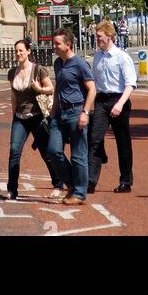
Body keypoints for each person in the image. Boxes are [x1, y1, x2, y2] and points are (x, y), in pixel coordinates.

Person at [46, 27, 96, 205]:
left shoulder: (80, 64)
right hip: (60, 113)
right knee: (52, 151)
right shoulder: (58, 63)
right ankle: (72, 184)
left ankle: (80, 193)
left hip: (76, 112)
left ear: (68, 45)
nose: (54, 46)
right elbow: (59, 86)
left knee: (78, 155)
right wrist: (52, 112)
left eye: (57, 44)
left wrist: (85, 112)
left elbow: (92, 89)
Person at [89, 19, 136, 194]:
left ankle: (126, 181)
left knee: (123, 143)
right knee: (94, 139)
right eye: (96, 36)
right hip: (101, 100)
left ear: (110, 36)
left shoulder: (122, 57)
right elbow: (94, 81)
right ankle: (90, 180)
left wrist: (120, 104)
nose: (97, 39)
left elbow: (130, 84)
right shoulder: (97, 56)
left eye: (100, 36)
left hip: (119, 99)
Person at [5, 37, 55, 201]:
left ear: (28, 51)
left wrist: (38, 88)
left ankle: (58, 183)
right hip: (19, 117)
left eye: (21, 50)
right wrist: (13, 114)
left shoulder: (38, 70)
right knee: (14, 152)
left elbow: (50, 88)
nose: (18, 53)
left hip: (36, 117)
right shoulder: (12, 73)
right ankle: (12, 189)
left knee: (46, 152)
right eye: (16, 51)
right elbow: (13, 95)